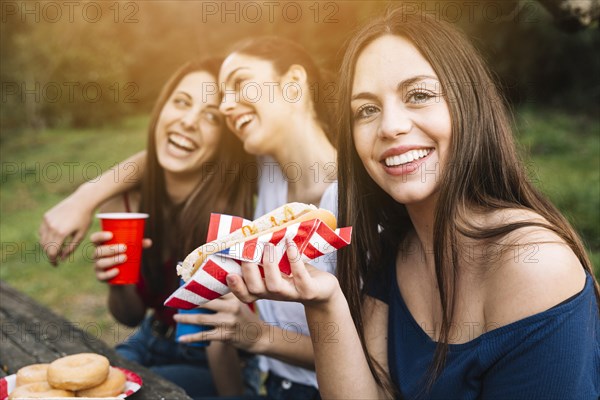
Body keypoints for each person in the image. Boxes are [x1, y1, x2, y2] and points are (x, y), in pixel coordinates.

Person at [224, 7, 600, 400]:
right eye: (366, 110)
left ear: (466, 105)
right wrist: (324, 300)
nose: (390, 126)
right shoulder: (395, 247)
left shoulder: (532, 263)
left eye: (418, 95)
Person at [40, 37, 338, 399]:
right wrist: (86, 199)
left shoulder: (331, 194)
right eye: (181, 102)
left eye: (238, 87)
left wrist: (258, 337)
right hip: (190, 350)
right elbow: (161, 151)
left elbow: (374, 360)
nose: (227, 106)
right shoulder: (269, 167)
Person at [42, 57, 256, 398]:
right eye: (182, 102)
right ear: (162, 108)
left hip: (213, 362)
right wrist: (117, 280)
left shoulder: (234, 213)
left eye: (211, 116)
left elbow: (220, 345)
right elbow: (128, 315)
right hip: (147, 339)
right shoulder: (123, 205)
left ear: (225, 137)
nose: (188, 122)